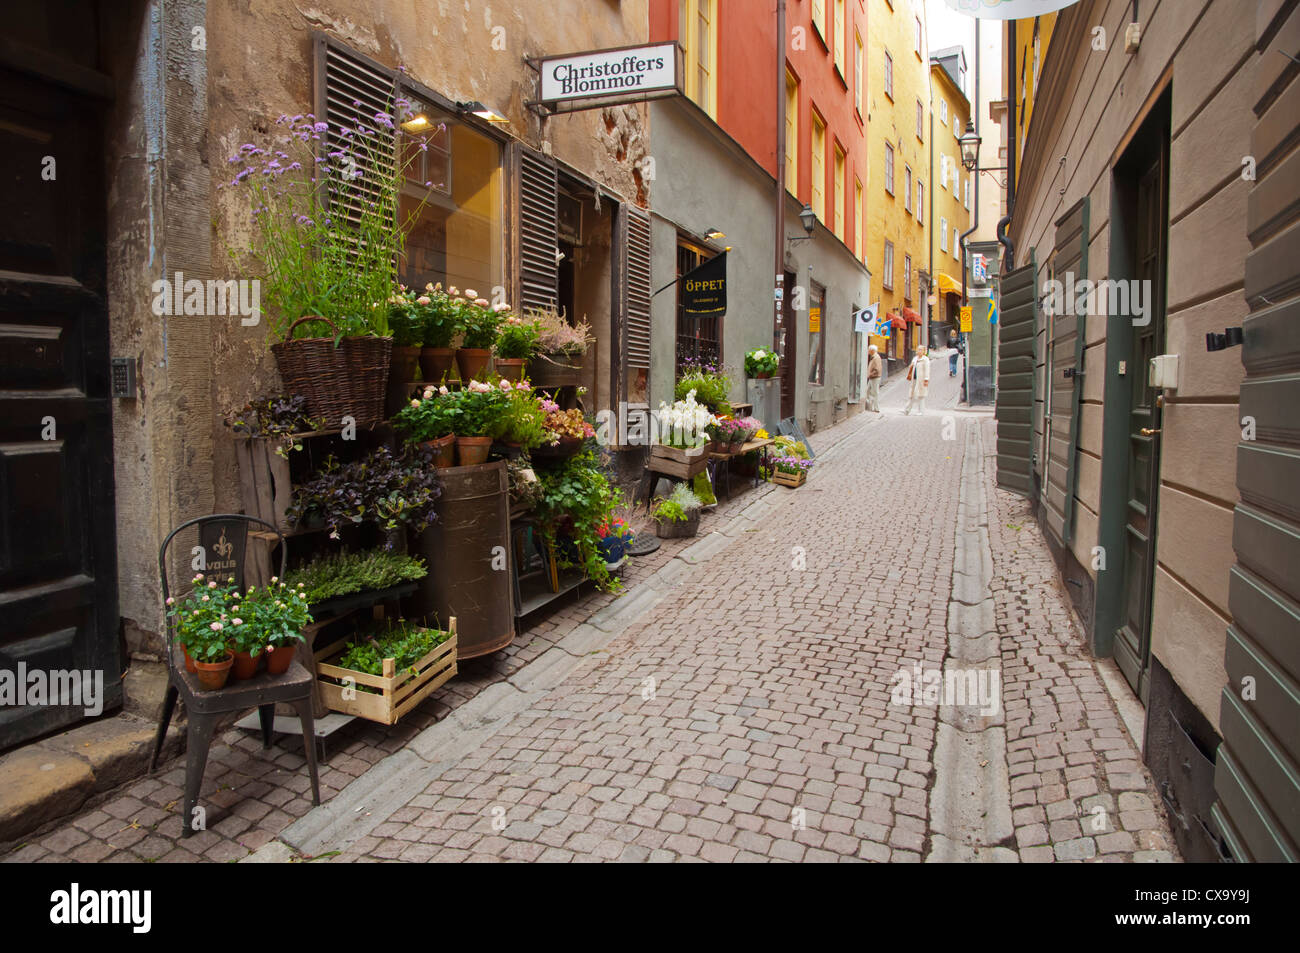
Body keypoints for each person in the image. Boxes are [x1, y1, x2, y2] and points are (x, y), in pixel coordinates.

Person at [904, 345, 931, 415]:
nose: (919, 351)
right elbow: (911, 367)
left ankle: (921, 411)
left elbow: (927, 370)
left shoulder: (925, 359)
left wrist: (926, 379)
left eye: (921, 350)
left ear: (924, 351)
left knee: (921, 395)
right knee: (911, 394)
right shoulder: (915, 359)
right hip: (915, 379)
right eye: (918, 349)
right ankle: (907, 409)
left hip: (921, 380)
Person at [865, 344, 882, 412]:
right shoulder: (873, 357)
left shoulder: (876, 358)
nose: (868, 351)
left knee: (875, 393)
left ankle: (876, 408)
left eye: (869, 350)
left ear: (872, 350)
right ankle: (870, 407)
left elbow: (877, 369)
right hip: (872, 377)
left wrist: (870, 375)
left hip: (875, 377)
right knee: (867, 391)